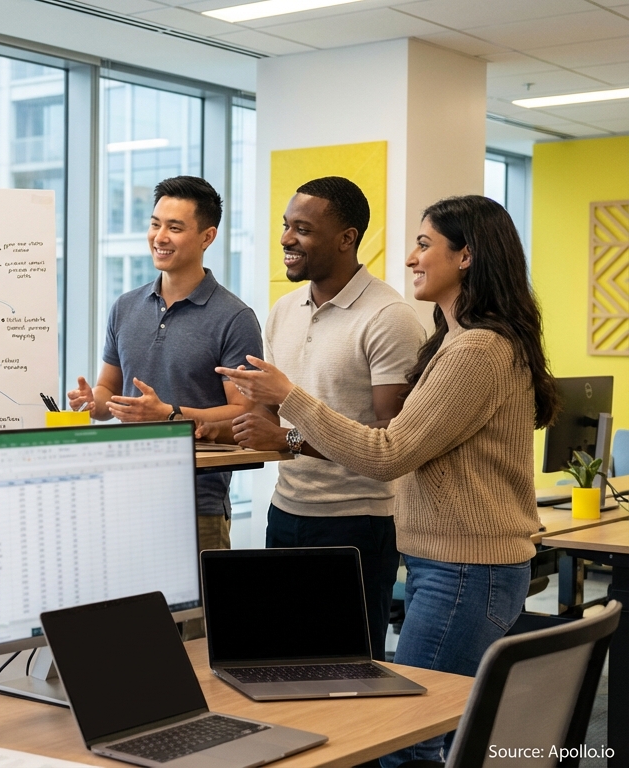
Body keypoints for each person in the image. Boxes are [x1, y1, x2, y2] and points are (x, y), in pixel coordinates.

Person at [220, 195, 559, 767]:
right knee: (427, 737)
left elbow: (389, 452)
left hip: (464, 571)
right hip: (454, 567)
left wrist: (290, 399)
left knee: (407, 740)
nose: (410, 258)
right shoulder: (460, 341)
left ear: (467, 256)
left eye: (425, 244)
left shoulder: (476, 350)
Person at [201, 177, 425, 659]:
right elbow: (265, 419)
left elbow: (391, 438)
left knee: (351, 664)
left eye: (302, 229)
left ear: (347, 238)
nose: (286, 239)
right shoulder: (284, 310)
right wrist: (199, 425)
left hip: (358, 523)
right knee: (283, 657)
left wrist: (288, 438)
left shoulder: (388, 316)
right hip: (286, 512)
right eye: (286, 226)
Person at [67, 175, 261, 556]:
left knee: (198, 599)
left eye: (175, 227)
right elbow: (109, 394)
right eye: (155, 224)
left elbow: (245, 416)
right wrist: (95, 402)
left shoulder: (235, 318)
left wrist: (169, 415)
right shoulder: (124, 307)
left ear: (207, 237)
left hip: (197, 505)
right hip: (122, 496)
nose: (160, 237)